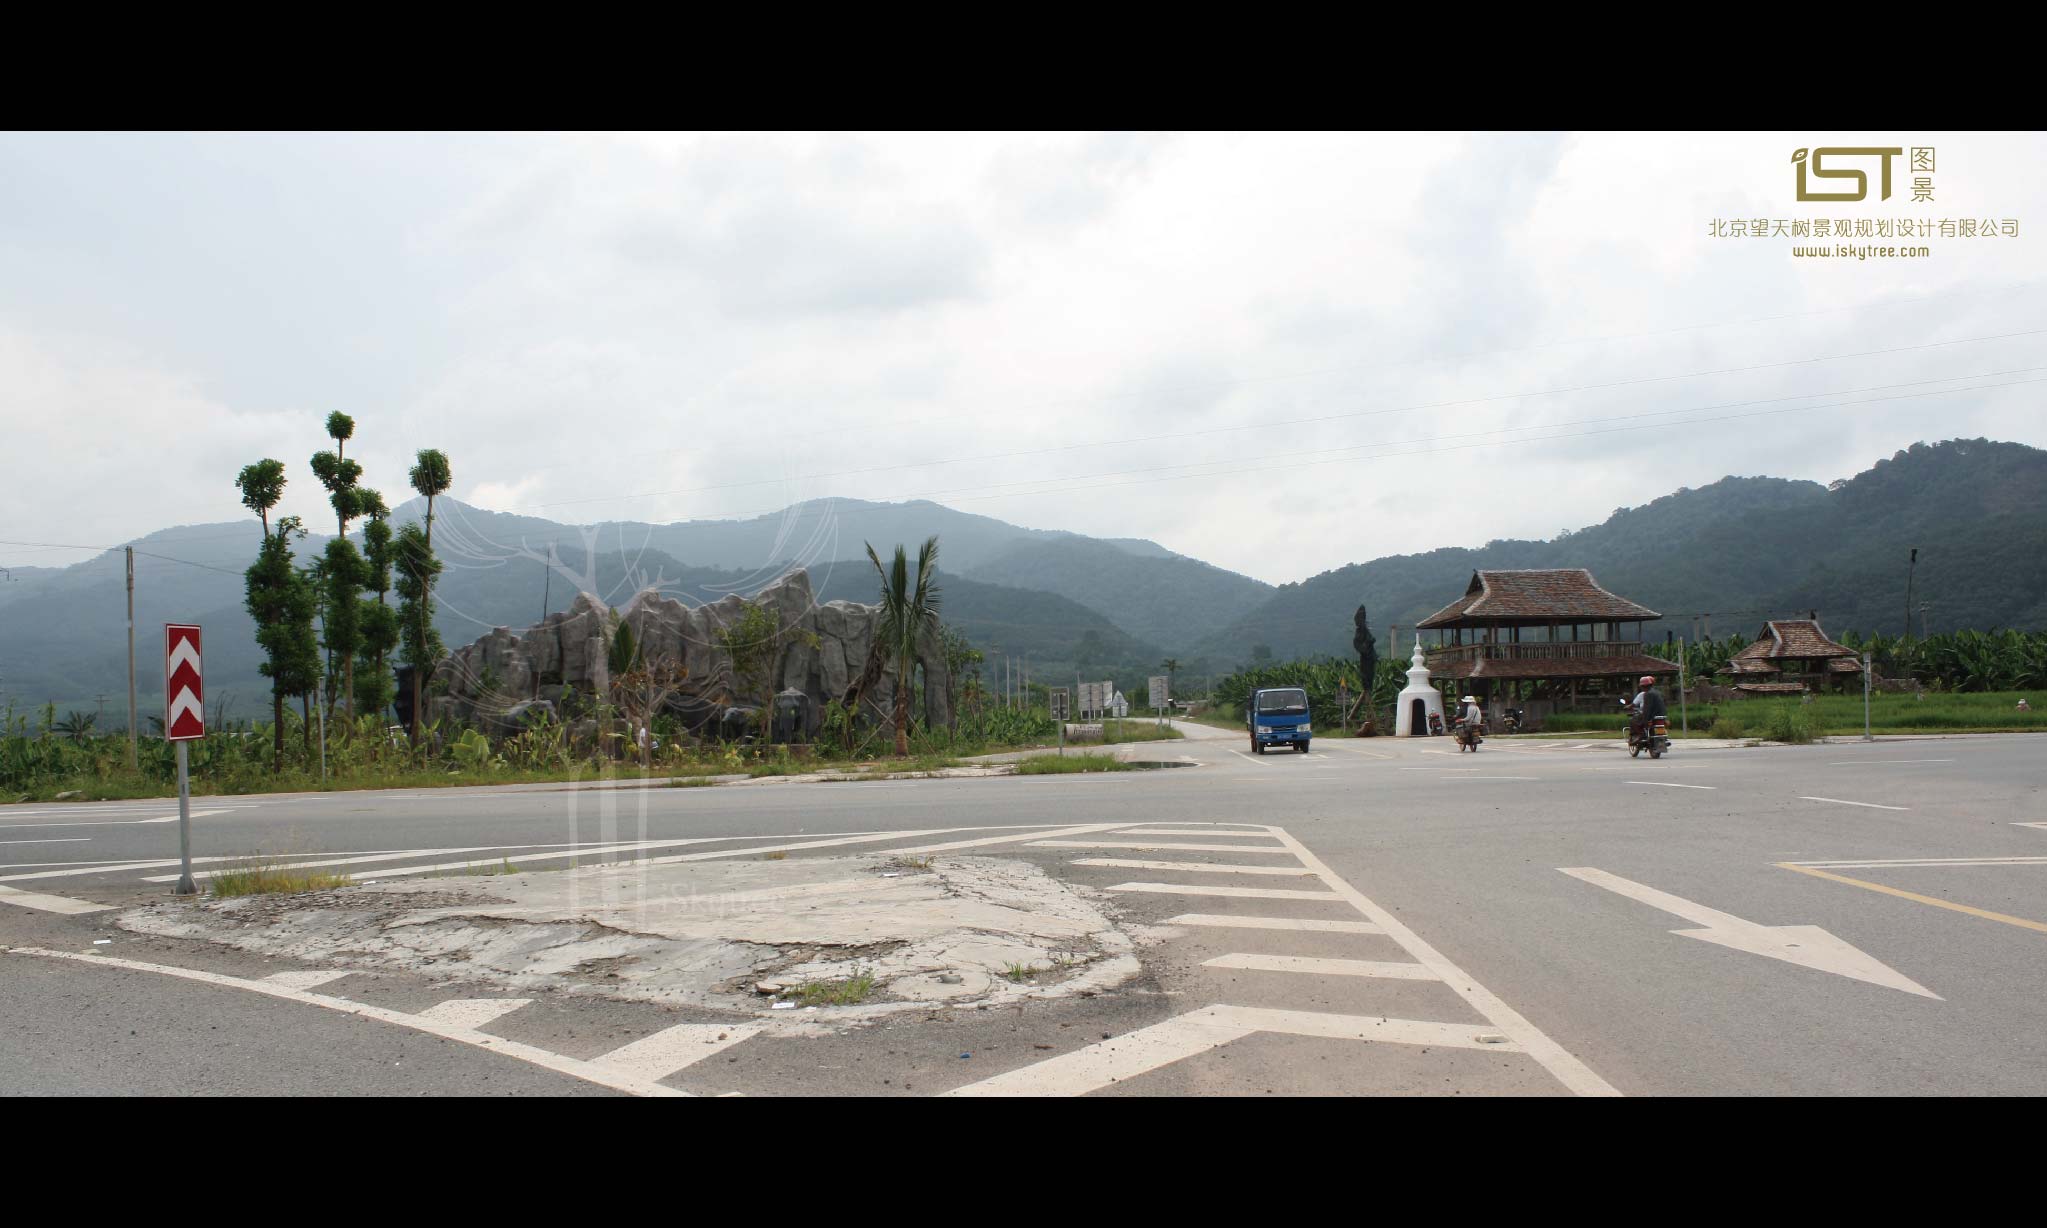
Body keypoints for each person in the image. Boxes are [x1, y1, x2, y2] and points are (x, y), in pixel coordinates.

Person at [1629, 675, 1666, 744]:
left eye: (1643, 686)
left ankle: (1640, 735)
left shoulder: (1647, 694)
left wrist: (1646, 718)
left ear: (1642, 686)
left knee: (1633, 720)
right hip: (1661, 715)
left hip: (1652, 715)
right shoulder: (1658, 692)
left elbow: (1647, 708)